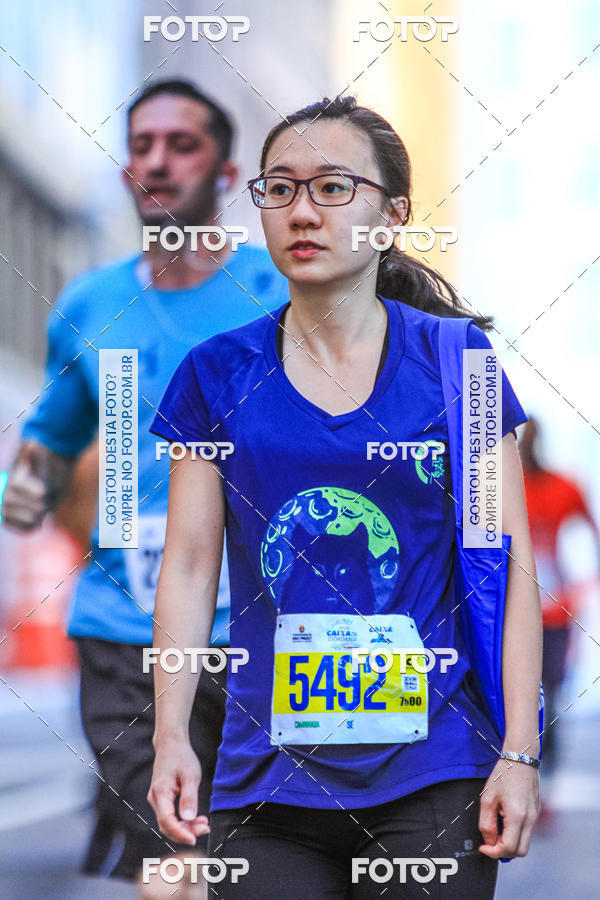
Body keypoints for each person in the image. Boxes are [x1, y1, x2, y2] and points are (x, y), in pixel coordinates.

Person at [147, 95, 542, 898]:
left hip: (435, 768)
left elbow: (512, 568)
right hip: (266, 778)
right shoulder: (215, 374)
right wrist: (169, 737)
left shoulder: (459, 363)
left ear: (392, 215)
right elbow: (189, 569)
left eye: (333, 188)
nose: (302, 211)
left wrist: (521, 752)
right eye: (280, 189)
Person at [0, 79, 287, 896]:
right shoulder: (91, 304)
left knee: (263, 865)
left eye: (181, 144)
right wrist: (24, 493)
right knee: (172, 857)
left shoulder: (280, 293)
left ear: (226, 174)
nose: (156, 161)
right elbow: (52, 440)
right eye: (142, 144)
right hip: (124, 630)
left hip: (265, 630)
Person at [520, 416, 600, 824]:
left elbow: (592, 531)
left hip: (554, 613)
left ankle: (542, 790)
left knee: (548, 702)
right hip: (509, 612)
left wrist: (584, 587)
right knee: (512, 699)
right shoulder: (500, 485)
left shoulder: (562, 486)